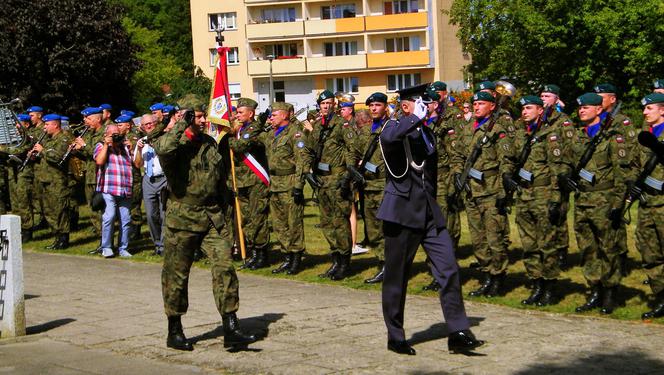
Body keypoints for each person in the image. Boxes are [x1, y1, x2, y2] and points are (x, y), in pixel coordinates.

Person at [377, 84, 484, 355]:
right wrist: (414, 118)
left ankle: (458, 331)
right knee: (397, 278)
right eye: (421, 102)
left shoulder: (426, 132)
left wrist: (421, 124)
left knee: (448, 268)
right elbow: (389, 141)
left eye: (428, 102)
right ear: (405, 106)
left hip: (427, 212)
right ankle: (396, 335)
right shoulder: (393, 126)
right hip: (401, 213)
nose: (428, 105)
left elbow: (431, 171)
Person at [150, 97, 257, 351]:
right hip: (182, 217)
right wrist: (180, 124)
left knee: (224, 268)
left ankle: (231, 326)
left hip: (212, 217)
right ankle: (174, 329)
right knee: (176, 275)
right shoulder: (173, 144)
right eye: (196, 116)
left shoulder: (209, 143)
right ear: (183, 116)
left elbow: (218, 178)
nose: (201, 120)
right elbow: (163, 148)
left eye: (201, 116)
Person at [562, 93, 626, 315]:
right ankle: (594, 290)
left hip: (604, 200)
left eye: (587, 108)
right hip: (582, 201)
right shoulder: (577, 137)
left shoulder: (611, 137)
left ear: (599, 110)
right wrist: (565, 175)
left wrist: (618, 204)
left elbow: (621, 174)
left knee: (608, 248)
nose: (582, 111)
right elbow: (566, 163)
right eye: (580, 108)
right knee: (588, 249)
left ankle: (610, 293)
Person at [451, 91, 515, 297]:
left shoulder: (498, 130)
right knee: (478, 239)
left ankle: (498, 277)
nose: (476, 107)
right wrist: (458, 173)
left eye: (481, 103)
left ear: (492, 107)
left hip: (491, 191)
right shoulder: (468, 128)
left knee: (494, 237)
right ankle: (487, 274)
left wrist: (504, 188)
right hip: (471, 192)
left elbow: (507, 161)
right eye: (475, 103)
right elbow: (458, 154)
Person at [235, 101, 308, 274]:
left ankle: (296, 257)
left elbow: (302, 162)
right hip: (274, 184)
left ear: (284, 115)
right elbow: (252, 136)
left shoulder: (295, 134)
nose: (270, 118)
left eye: (274, 115)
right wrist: (256, 123)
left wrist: (298, 185)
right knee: (279, 224)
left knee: (293, 223)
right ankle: (286, 257)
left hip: (289, 182)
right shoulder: (271, 135)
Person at [512, 96, 567, 306]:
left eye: (529, 108)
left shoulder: (550, 135)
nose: (524, 111)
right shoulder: (520, 134)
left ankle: (549, 285)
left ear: (540, 110)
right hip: (524, 194)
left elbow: (557, 169)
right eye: (523, 108)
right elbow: (511, 159)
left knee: (547, 243)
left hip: (543, 194)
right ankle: (536, 283)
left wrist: (555, 199)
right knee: (529, 244)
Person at [303, 90, 354, 280]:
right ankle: (335, 259)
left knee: (340, 221)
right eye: (323, 104)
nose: (326, 107)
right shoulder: (316, 126)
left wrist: (348, 174)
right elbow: (308, 148)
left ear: (335, 105)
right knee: (326, 222)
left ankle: (345, 262)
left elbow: (351, 149)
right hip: (321, 179)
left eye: (329, 104)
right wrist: (308, 171)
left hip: (337, 177)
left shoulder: (341, 124)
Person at [594, 83, 637, 276]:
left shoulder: (622, 121)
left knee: (615, 222)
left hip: (617, 174)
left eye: (601, 97)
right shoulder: (595, 120)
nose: (598, 101)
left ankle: (621, 259)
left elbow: (630, 148)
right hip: (599, 175)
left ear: (612, 99)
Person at [226, 98, 271, 270]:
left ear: (250, 114)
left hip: (255, 181)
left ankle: (262, 254)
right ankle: (252, 251)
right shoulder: (241, 129)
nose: (237, 115)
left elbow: (239, 146)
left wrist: (228, 135)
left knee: (257, 218)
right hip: (242, 181)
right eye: (237, 112)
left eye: (240, 112)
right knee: (246, 219)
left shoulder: (253, 129)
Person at [633, 93, 664, 319]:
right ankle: (661, 296)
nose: (645, 113)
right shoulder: (643, 136)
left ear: (662, 110)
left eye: (650, 108)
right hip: (647, 203)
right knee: (648, 251)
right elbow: (635, 164)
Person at [353, 95, 389, 284]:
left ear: (385, 107)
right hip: (367, 185)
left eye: (378, 105)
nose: (374, 108)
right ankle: (382, 262)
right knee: (373, 229)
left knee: (385, 228)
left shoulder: (391, 127)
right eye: (371, 106)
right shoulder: (366, 130)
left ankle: (388, 265)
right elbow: (355, 152)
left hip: (384, 184)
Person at [540, 84, 574, 269]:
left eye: (547, 96)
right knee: (547, 214)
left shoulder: (563, 121)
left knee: (559, 213)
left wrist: (564, 172)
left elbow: (570, 148)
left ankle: (562, 251)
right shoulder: (541, 119)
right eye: (542, 96)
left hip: (558, 173)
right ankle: (550, 249)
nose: (544, 99)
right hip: (543, 175)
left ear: (556, 99)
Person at [32, 114, 72, 249]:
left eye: (47, 125)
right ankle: (56, 236)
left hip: (57, 181)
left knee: (60, 210)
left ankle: (63, 238)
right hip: (45, 180)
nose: (45, 128)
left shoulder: (64, 138)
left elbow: (57, 156)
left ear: (55, 125)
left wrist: (42, 151)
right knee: (49, 210)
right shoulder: (48, 140)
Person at [94, 123, 133, 258]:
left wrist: (133, 149)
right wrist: (106, 145)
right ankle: (106, 247)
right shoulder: (100, 146)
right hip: (108, 188)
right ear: (106, 135)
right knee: (109, 217)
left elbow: (137, 164)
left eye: (118, 134)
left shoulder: (125, 148)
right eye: (113, 135)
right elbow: (99, 161)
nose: (116, 137)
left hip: (125, 189)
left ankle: (123, 248)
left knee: (126, 219)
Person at [134, 114, 168, 255]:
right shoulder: (142, 141)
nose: (148, 126)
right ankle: (157, 245)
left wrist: (155, 145)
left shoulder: (164, 138)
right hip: (148, 179)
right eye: (145, 125)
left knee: (164, 214)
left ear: (156, 123)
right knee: (150, 215)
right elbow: (137, 164)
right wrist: (140, 149)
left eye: (150, 123)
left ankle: (165, 246)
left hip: (163, 178)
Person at [72, 107, 105, 236]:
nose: (85, 121)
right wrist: (76, 150)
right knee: (92, 207)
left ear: (98, 119)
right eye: (85, 118)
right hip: (90, 174)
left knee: (101, 207)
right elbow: (87, 156)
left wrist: (84, 146)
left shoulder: (104, 133)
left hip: (100, 174)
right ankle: (99, 233)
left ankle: (104, 236)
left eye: (88, 118)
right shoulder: (88, 133)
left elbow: (99, 153)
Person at [9, 113, 39, 240]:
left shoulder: (29, 137)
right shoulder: (13, 138)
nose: (16, 126)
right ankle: (17, 228)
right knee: (15, 201)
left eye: (18, 123)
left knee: (24, 201)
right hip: (13, 172)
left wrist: (5, 150)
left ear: (26, 124)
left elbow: (19, 150)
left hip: (24, 172)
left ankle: (27, 229)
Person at [117, 114, 144, 241]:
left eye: (120, 125)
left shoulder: (133, 137)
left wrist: (131, 147)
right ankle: (128, 229)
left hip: (134, 176)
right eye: (117, 125)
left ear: (128, 125)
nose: (118, 127)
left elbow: (137, 157)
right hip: (123, 176)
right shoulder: (120, 137)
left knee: (134, 204)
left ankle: (136, 229)